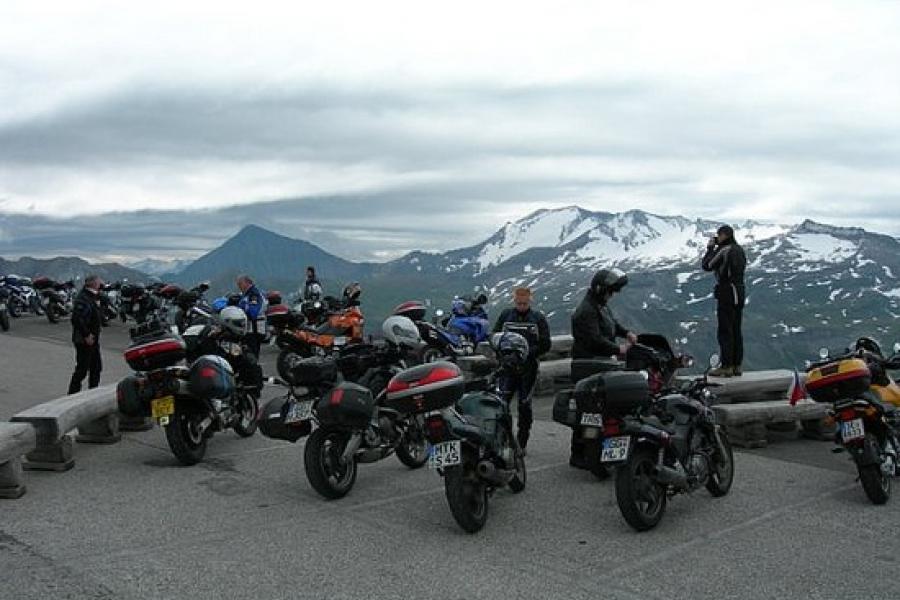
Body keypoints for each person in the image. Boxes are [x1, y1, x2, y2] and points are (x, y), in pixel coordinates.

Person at [569, 268, 638, 470]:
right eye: (610, 291)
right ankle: (579, 452)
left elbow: (611, 325)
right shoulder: (586, 311)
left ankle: (599, 449)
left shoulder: (600, 306)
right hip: (586, 364)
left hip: (600, 363)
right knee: (587, 410)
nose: (612, 295)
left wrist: (627, 333)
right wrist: (619, 348)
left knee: (600, 408)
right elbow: (595, 340)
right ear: (601, 289)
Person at [492, 287, 552, 451]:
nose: (522, 306)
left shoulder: (537, 318)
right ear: (514, 301)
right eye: (519, 303)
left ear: (530, 301)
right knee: (501, 403)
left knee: (524, 405)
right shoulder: (506, 316)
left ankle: (521, 441)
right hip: (507, 368)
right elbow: (495, 336)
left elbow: (546, 344)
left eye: (524, 303)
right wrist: (504, 355)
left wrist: (525, 353)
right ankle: (503, 438)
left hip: (528, 368)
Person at [701, 224, 747, 377]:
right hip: (739, 291)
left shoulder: (725, 250)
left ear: (724, 235)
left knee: (725, 330)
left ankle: (726, 365)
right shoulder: (739, 250)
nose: (717, 238)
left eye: (718, 235)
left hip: (727, 291)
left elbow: (707, 265)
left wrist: (710, 249)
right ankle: (736, 365)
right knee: (736, 329)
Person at [68, 274, 104, 394]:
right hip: (84, 340)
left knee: (96, 368)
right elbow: (76, 319)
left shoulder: (93, 296)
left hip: (94, 340)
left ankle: (92, 393)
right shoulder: (83, 298)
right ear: (93, 283)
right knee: (82, 370)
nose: (100, 283)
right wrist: (86, 335)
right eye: (99, 281)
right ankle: (72, 395)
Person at [236, 274, 267, 359]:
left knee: (252, 354)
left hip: (254, 329)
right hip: (249, 329)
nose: (239, 286)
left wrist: (242, 312)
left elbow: (253, 312)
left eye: (240, 284)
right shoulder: (246, 294)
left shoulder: (253, 294)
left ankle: (254, 370)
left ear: (247, 283)